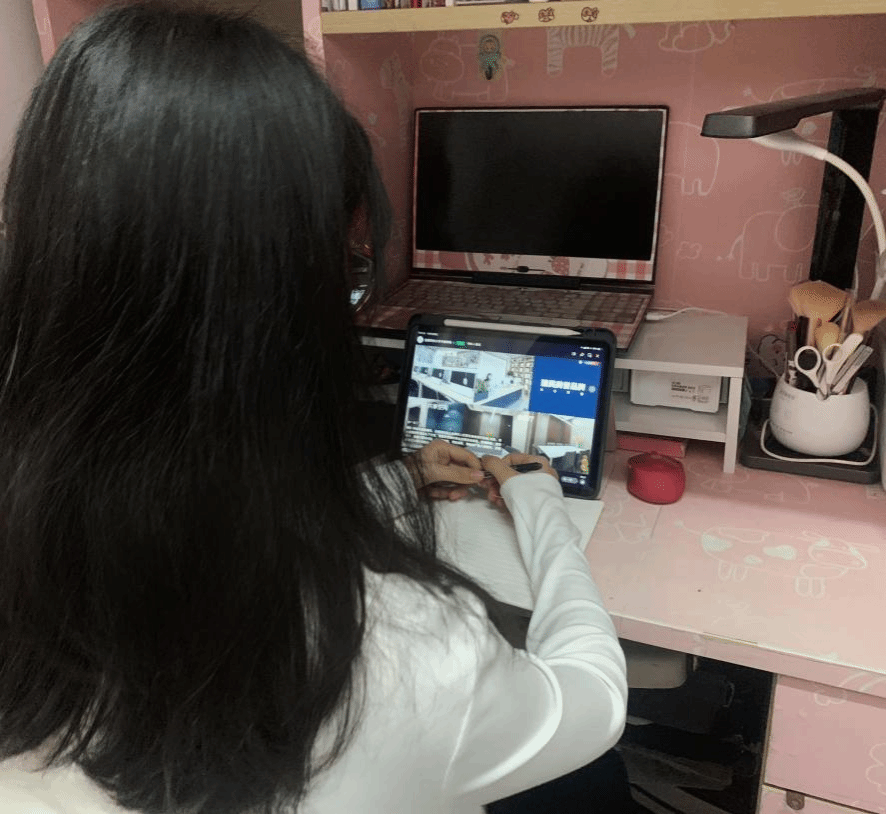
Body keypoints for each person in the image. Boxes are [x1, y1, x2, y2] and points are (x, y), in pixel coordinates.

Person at [0, 4, 629, 814]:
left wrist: (396, 481)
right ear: (286, 316)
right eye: (351, 276)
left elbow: (187, 496)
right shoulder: (404, 651)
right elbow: (591, 699)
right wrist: (537, 496)